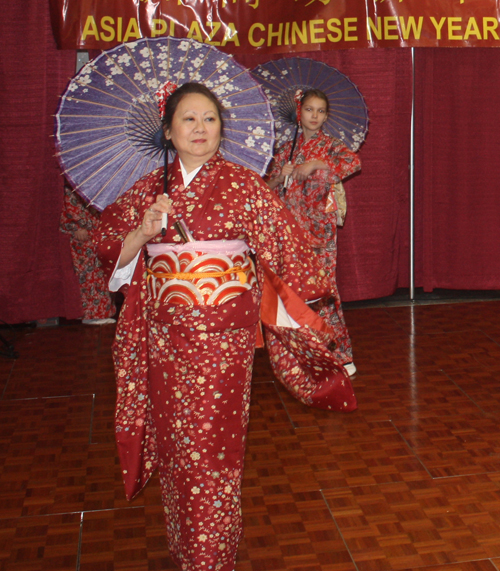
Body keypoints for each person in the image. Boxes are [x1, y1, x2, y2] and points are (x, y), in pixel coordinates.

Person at [95, 83, 335, 571]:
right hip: (163, 340)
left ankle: (211, 558)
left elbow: (286, 249)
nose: (200, 128)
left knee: (213, 451)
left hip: (223, 341)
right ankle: (187, 550)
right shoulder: (148, 190)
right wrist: (142, 232)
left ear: (223, 128)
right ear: (168, 131)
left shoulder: (245, 186)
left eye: (209, 118)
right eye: (188, 119)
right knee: (177, 447)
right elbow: (111, 257)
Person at [267, 88, 361, 376]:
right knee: (292, 292)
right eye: (309, 109)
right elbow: (266, 189)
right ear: (299, 112)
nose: (314, 116)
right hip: (289, 231)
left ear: (326, 116)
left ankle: (340, 354)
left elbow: (353, 163)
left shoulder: (331, 145)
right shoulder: (285, 148)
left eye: (320, 111)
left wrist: (317, 164)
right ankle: (302, 353)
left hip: (319, 231)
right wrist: (279, 175)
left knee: (323, 291)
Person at [60, 184, 116, 324]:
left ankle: (100, 312)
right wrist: (77, 226)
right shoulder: (73, 185)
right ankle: (90, 315)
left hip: (97, 230)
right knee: (88, 273)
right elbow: (69, 206)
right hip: (83, 233)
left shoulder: (93, 183)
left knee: (99, 271)